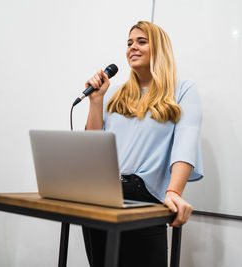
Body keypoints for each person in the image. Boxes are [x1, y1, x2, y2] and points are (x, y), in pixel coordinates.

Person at [82, 21, 203, 267]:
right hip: (103, 195)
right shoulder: (114, 93)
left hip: (143, 198)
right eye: (129, 43)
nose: (132, 48)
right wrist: (96, 101)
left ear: (158, 47)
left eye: (141, 41)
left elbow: (185, 143)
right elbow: (91, 148)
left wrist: (173, 192)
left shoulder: (182, 90)